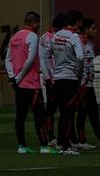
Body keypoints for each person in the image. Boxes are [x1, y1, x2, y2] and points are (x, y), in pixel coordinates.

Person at [6, 11, 55, 154]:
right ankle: (44, 146)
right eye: (38, 22)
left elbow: (7, 59)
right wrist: (20, 76)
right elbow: (31, 58)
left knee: (20, 116)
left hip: (19, 85)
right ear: (34, 23)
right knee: (39, 116)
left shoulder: (14, 37)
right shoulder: (32, 36)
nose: (39, 25)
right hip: (31, 84)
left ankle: (22, 146)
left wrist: (12, 77)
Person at [46, 10, 85, 155]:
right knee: (68, 112)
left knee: (62, 111)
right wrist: (79, 74)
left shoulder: (56, 35)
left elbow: (47, 55)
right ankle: (65, 145)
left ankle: (62, 142)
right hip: (70, 78)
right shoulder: (74, 37)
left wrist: (52, 72)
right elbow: (80, 57)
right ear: (77, 22)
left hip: (58, 78)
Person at [74, 18, 100, 149]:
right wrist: (83, 81)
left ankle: (91, 140)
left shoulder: (89, 44)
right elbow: (81, 63)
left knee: (86, 112)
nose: (96, 31)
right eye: (93, 28)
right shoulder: (81, 43)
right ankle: (87, 141)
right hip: (84, 84)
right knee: (88, 112)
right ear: (86, 30)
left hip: (88, 83)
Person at [39, 12, 65, 146]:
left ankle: (59, 137)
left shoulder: (50, 36)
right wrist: (50, 77)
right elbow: (45, 59)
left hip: (56, 76)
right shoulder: (48, 38)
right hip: (52, 77)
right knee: (51, 108)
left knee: (58, 108)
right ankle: (50, 137)